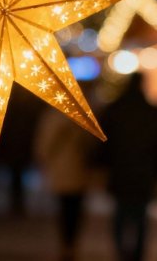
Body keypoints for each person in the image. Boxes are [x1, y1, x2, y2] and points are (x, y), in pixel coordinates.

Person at [99, 73, 157, 261]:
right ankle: (137, 253)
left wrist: (102, 164)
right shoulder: (151, 112)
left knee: (121, 213)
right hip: (143, 172)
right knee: (140, 215)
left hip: (120, 171)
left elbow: (103, 142)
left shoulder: (115, 109)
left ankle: (121, 251)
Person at [35, 109, 94, 261]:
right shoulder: (82, 117)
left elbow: (44, 145)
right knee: (74, 210)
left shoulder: (52, 118)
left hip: (61, 170)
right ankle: (71, 245)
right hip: (78, 169)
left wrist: (43, 160)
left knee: (64, 209)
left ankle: (66, 245)